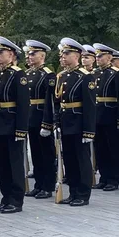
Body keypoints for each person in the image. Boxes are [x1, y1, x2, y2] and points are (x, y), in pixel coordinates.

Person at [41, 38, 96, 207]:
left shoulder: (85, 77)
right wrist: (56, 123)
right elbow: (57, 103)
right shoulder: (62, 76)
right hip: (66, 122)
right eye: (62, 54)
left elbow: (90, 106)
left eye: (67, 53)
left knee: (82, 159)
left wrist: (88, 131)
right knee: (69, 159)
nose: (63, 57)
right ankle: (73, 191)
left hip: (79, 122)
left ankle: (83, 193)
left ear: (77, 55)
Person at [0, 37, 30, 213]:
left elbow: (23, 104)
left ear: (11, 55)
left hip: (12, 124)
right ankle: (6, 197)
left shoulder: (18, 74)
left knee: (14, 163)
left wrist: (21, 129)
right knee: (2, 163)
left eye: (1, 53)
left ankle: (16, 200)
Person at [23, 40, 56, 199]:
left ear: (42, 56)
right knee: (35, 153)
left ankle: (48, 186)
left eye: (33, 54)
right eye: (29, 54)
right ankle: (38, 184)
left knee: (46, 154)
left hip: (42, 117)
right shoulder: (28, 74)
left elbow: (50, 102)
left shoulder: (48, 74)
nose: (29, 57)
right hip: (30, 117)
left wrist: (47, 123)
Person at [91, 43, 119, 191]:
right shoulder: (95, 73)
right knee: (100, 148)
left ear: (109, 57)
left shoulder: (117, 74)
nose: (97, 59)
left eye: (100, 56)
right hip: (97, 115)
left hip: (111, 115)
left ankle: (113, 178)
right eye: (96, 56)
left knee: (114, 148)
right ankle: (104, 177)